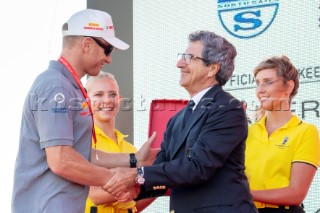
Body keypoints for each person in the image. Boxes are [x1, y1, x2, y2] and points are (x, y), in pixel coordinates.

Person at [11, 9, 157, 213]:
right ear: (87, 45)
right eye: (108, 50)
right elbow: (61, 160)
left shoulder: (66, 86)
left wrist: (134, 159)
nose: (109, 60)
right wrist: (113, 180)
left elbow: (81, 154)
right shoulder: (57, 87)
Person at [103, 30, 258, 213]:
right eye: (182, 56)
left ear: (212, 69)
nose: (179, 63)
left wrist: (135, 176)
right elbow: (163, 170)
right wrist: (136, 189)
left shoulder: (228, 109)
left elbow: (198, 167)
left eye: (189, 57)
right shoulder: (176, 120)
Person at [245, 55, 320, 213]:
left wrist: (244, 194)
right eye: (258, 83)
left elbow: (296, 194)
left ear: (289, 87)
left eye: (268, 82)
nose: (260, 90)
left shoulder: (306, 131)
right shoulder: (247, 132)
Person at [85, 72, 156, 213]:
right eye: (98, 95)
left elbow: (133, 205)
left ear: (119, 99)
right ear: (86, 101)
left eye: (112, 94)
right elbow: (95, 194)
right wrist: (142, 178)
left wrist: (162, 180)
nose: (107, 100)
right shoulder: (83, 142)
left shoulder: (132, 150)